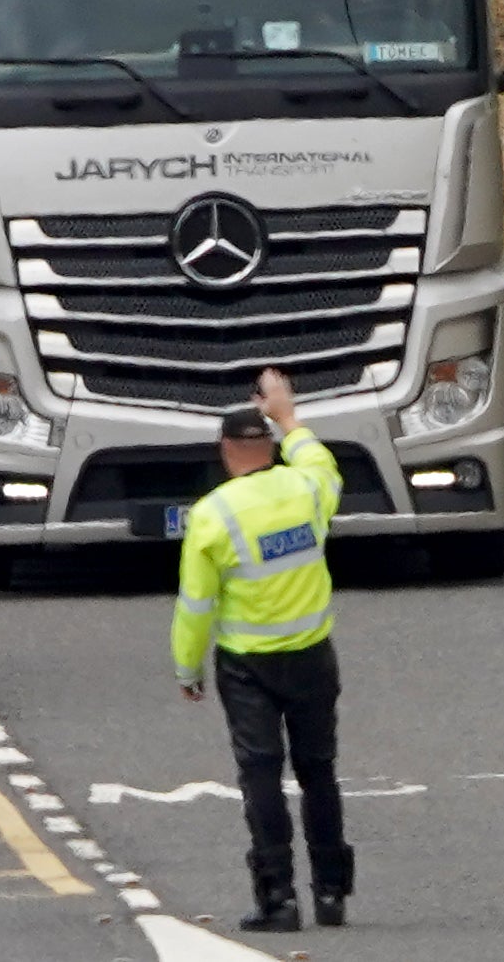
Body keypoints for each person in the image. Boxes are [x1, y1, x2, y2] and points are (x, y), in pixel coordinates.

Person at [174, 366, 353, 934]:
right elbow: (320, 462)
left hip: (247, 665)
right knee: (319, 771)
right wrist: (290, 416)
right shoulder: (307, 489)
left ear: (226, 451)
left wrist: (187, 668)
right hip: (312, 654)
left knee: (261, 775)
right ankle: (331, 891)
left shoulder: (212, 516)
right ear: (270, 447)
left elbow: (195, 606)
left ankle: (277, 898)